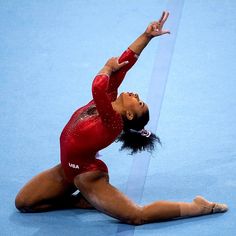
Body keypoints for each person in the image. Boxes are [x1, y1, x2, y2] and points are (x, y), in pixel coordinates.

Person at [15, 11, 227, 225]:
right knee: (24, 203)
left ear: (129, 114)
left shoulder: (112, 123)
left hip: (86, 176)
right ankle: (80, 201)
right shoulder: (109, 97)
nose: (136, 94)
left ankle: (198, 207)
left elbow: (97, 85)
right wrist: (147, 36)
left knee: (137, 216)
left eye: (139, 101)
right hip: (66, 169)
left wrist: (106, 68)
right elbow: (125, 61)